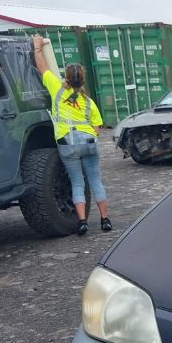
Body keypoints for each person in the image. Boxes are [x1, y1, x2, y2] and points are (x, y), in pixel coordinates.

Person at [32, 35, 111, 235]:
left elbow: (42, 67)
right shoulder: (88, 101)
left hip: (67, 144)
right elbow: (97, 128)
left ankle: (82, 222)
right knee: (95, 181)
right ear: (82, 79)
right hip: (88, 142)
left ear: (66, 78)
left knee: (77, 182)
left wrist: (37, 47)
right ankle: (105, 220)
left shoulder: (56, 89)